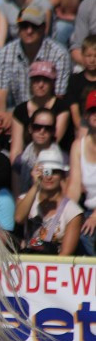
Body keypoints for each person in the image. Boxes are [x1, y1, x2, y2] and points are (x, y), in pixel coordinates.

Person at [0, 6, 71, 135]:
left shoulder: (59, 54)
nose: (29, 31)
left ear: (43, 28)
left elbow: (58, 98)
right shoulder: (5, 53)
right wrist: (2, 118)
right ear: (18, 29)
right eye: (24, 26)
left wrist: (18, 117)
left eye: (34, 26)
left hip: (46, 119)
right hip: (15, 117)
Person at [16, 148, 82, 256]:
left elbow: (65, 254)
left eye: (54, 172)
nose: (49, 176)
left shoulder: (73, 212)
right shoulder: (26, 199)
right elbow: (19, 218)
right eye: (45, 171)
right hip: (28, 264)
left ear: (62, 175)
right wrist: (36, 184)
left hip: (54, 266)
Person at [68, 92, 96, 255]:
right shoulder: (78, 146)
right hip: (87, 211)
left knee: (86, 235)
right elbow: (74, 188)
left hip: (93, 215)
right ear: (86, 115)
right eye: (93, 111)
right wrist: (62, 216)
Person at [12, 107, 62, 195]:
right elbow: (17, 195)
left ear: (53, 131)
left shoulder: (62, 159)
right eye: (37, 127)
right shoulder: (20, 161)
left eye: (48, 128)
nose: (42, 131)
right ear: (30, 128)